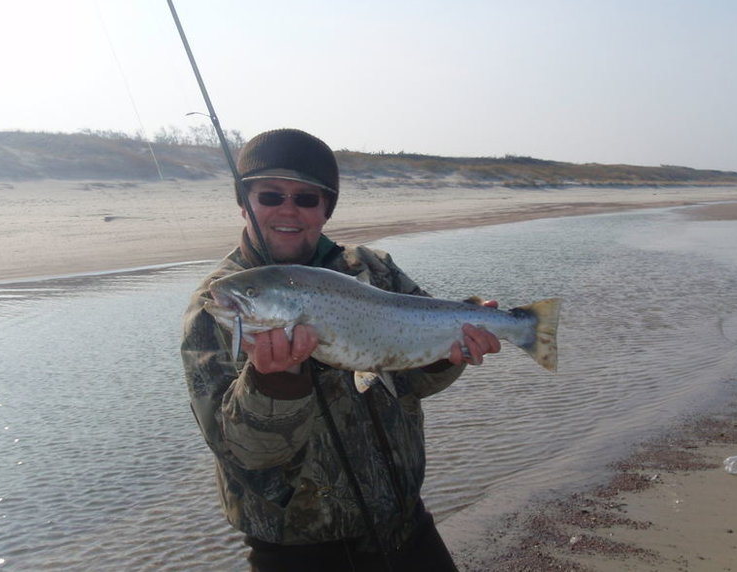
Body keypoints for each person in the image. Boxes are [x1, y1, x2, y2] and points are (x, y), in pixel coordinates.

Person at [181, 128, 501, 572]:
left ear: (325, 210)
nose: (288, 209)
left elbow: (410, 383)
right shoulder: (219, 305)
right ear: (245, 203)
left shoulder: (372, 269)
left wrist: (448, 351)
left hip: (404, 522)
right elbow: (241, 452)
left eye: (307, 198)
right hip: (298, 549)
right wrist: (274, 381)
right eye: (270, 196)